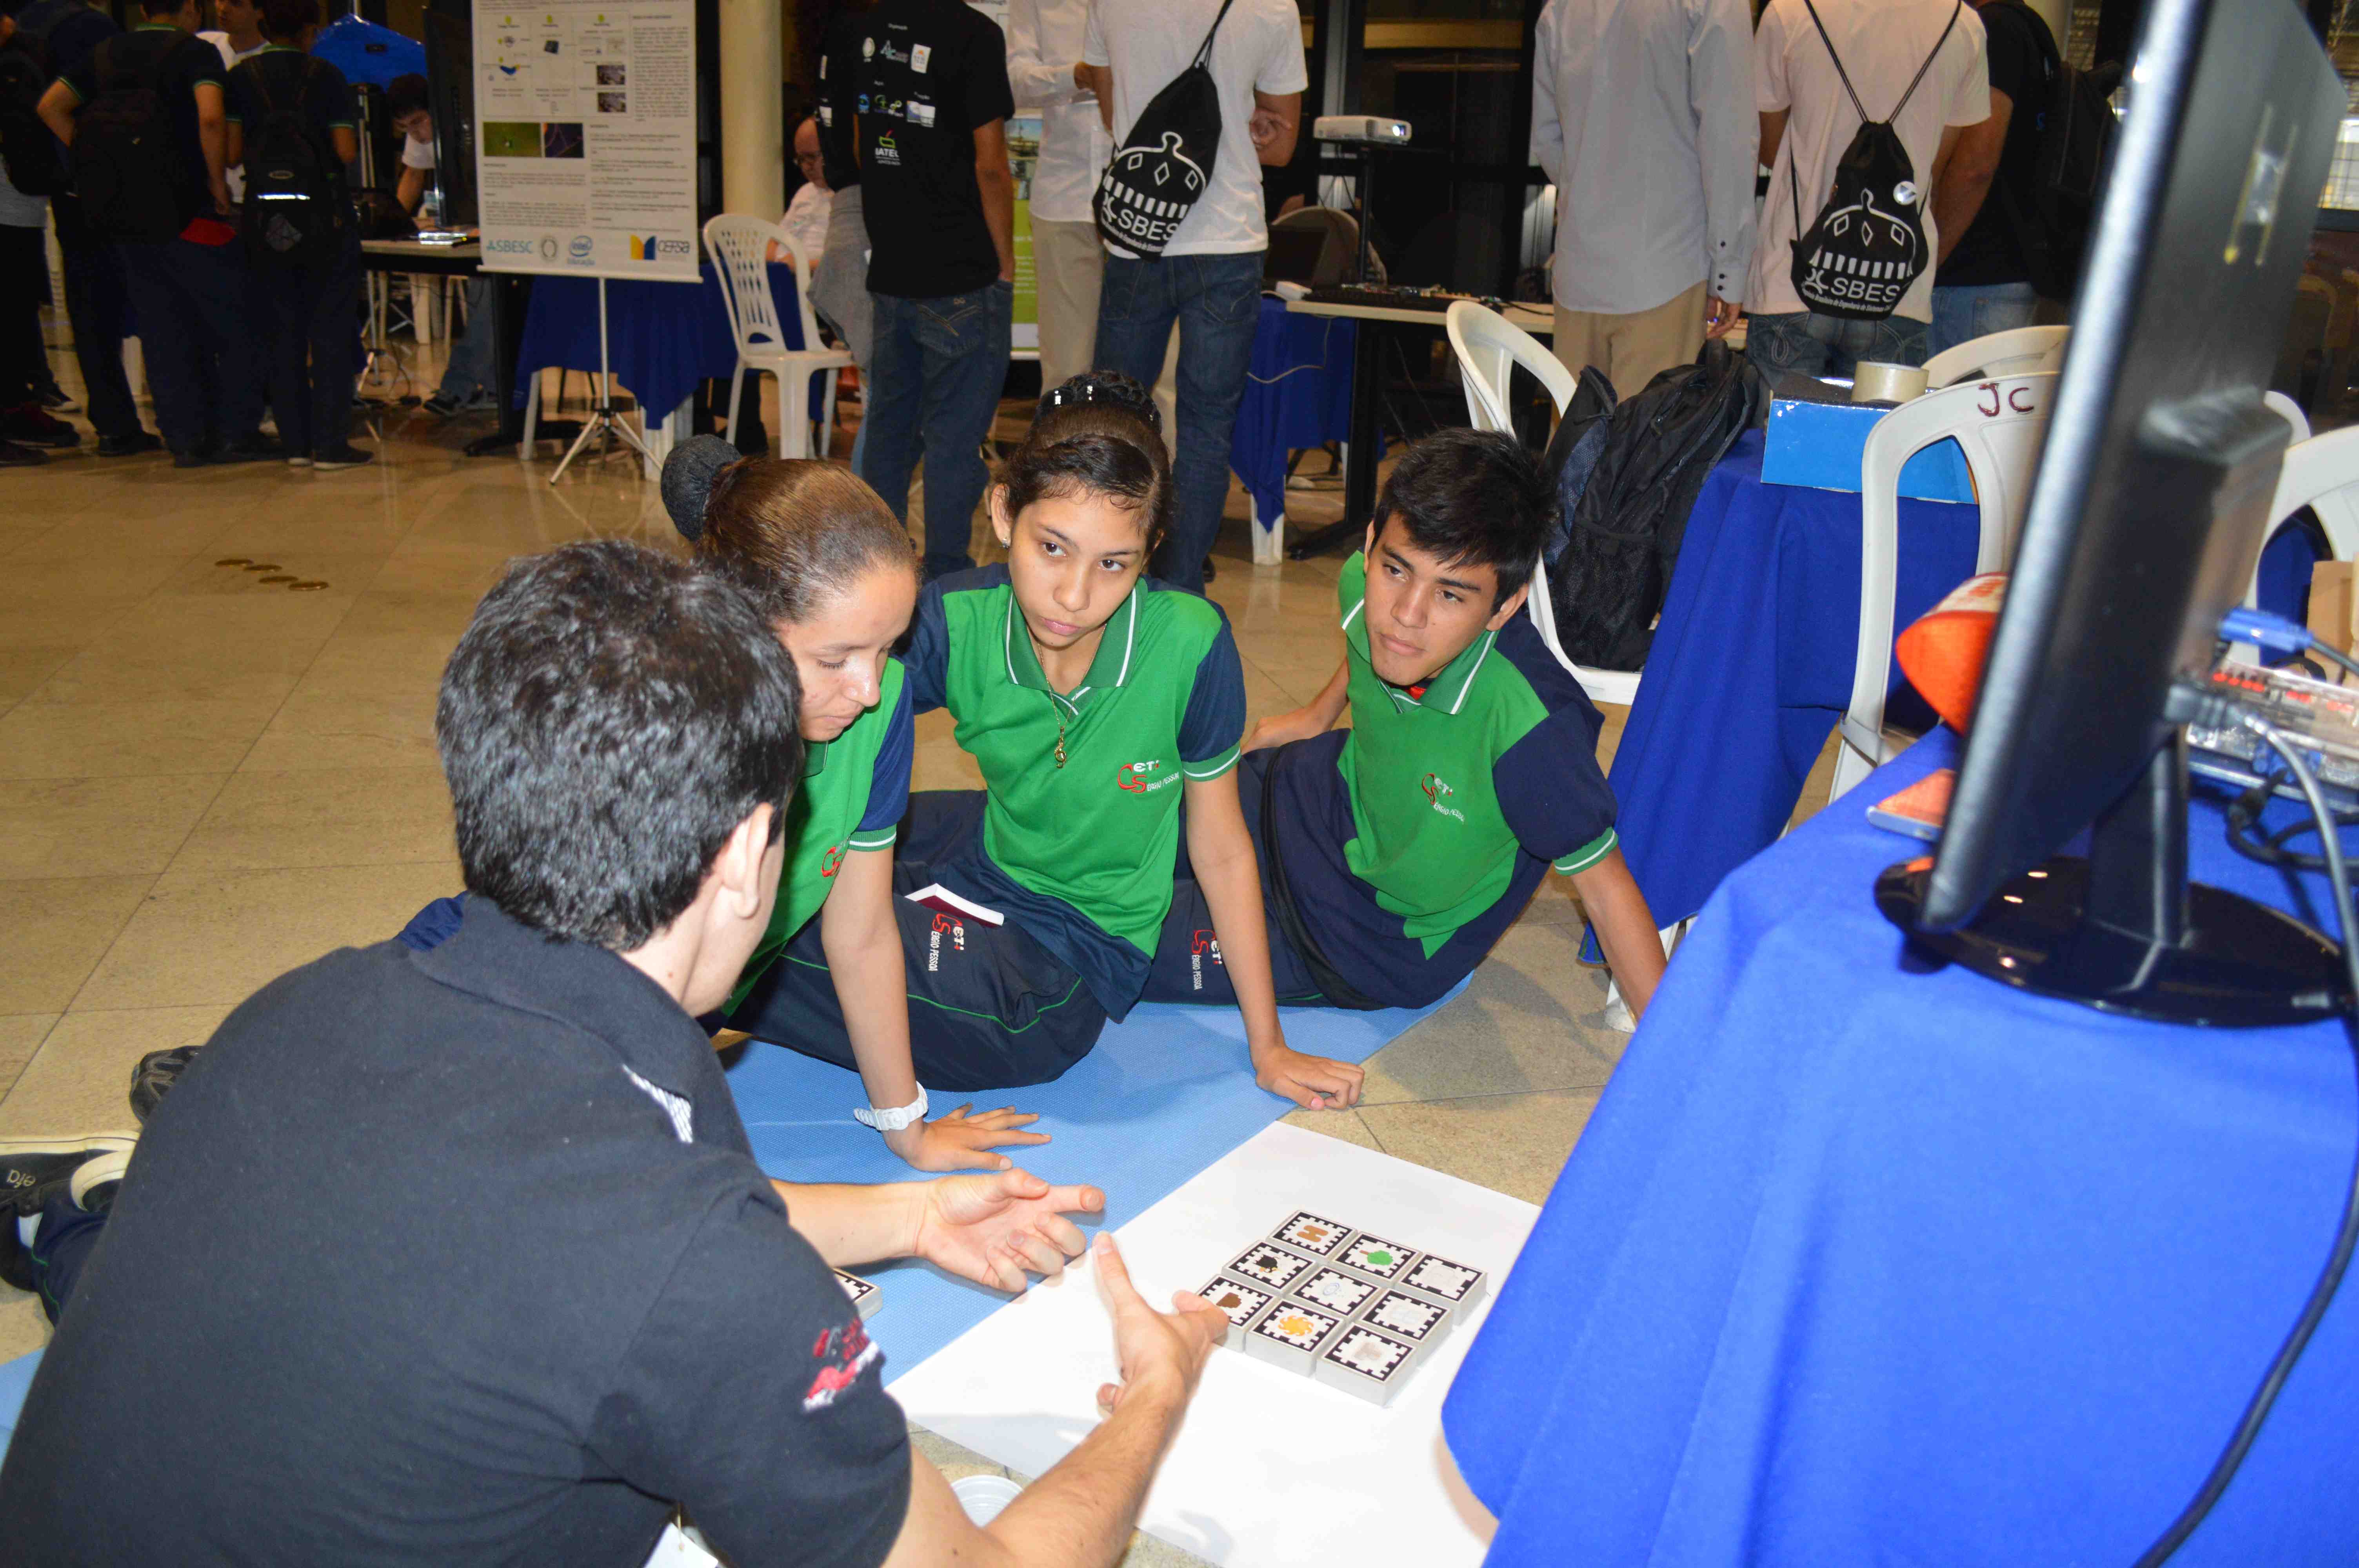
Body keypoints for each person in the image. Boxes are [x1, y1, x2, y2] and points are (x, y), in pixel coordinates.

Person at [0, 539, 1229, 1566]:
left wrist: (906, 1216)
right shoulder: (703, 1278)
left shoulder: (297, 1006)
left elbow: (593, 1228)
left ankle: (82, 1209)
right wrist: (1157, 1393)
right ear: (747, 856)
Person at [402, 444, 1051, 1172]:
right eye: (834, 660)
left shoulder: (880, 707)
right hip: (521, 1006)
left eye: (886, 649)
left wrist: (907, 1126)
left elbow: (863, 932)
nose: (868, 688)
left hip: (669, 1011)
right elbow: (584, 987)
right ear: (736, 632)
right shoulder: (665, 732)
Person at [741, 375, 1367, 1111]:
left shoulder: (1191, 645)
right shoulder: (953, 618)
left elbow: (1222, 848)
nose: (1074, 595)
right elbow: (828, 706)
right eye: (1053, 548)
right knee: (796, 881)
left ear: (1151, 551)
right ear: (1004, 512)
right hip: (983, 869)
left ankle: (658, 991)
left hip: (1063, 965)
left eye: (1114, 564)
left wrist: (1269, 1047)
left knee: (760, 932)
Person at [1154, 429, 1667, 1019]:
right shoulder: (1363, 584)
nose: (1405, 614)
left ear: (1505, 606)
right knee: (1100, 836)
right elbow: (1370, 631)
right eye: (1396, 570)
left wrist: (1671, 1052)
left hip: (1356, 939)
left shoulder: (1531, 732)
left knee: (1106, 931)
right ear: (1371, 545)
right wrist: (1317, 713)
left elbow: (1606, 891)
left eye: (1450, 596)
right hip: (1298, 797)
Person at [1082, 0, 1304, 593]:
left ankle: (1111, 575)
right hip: (1229, 240)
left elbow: (1114, 116)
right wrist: (1246, 126)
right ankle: (1180, 590)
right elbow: (1281, 147)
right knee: (1206, 430)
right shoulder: (1271, 7)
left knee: (1115, 422)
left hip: (1138, 238)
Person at [38, 0, 274, 468]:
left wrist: (93, 160)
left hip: (126, 214)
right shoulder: (194, 53)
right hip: (187, 208)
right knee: (235, 320)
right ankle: (236, 432)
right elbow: (211, 117)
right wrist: (216, 182)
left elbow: (51, 106)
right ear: (189, 9)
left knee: (162, 329)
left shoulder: (105, 53)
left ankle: (183, 437)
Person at [848, 0, 1017, 581]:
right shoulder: (974, 33)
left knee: (890, 430)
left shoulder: (867, 27)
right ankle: (945, 577)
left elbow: (862, 145)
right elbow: (991, 165)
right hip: (962, 271)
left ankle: (876, 569)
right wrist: (1005, 261)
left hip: (893, 268)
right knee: (953, 439)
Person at [1743, 0, 1989, 387]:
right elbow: (1935, 163)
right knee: (1882, 429)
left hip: (1790, 286)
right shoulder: (1963, 25)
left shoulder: (1789, 11)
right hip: (1897, 293)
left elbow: (1770, 150)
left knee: (1782, 428)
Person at [1529, 0, 1756, 400]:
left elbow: (1548, 140)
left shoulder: (1559, 8)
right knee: (1648, 434)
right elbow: (1727, 137)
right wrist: (1728, 267)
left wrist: (1591, 192)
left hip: (1580, 270)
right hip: (1665, 267)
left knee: (1576, 430)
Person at [225, 0, 367, 470]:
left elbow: (231, 153)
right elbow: (345, 151)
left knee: (280, 332)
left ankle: (295, 446)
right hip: (325, 217)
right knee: (330, 331)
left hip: (265, 218)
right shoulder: (326, 76)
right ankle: (331, 445)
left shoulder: (241, 78)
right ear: (310, 31)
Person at [13, 0, 158, 455]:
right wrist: (95, 159)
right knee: (144, 296)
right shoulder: (89, 27)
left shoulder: (28, 23)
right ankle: (167, 417)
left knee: (87, 307)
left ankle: (113, 421)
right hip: (103, 185)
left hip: (57, 185)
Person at [1925, 0, 2057, 357]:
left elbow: (1977, 163)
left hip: (1969, 282)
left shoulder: (1995, 29)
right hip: (2004, 273)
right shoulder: (2032, 29)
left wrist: (1929, 263)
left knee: (1943, 394)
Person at [1006, 0, 1109, 390]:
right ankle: (1066, 435)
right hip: (1065, 195)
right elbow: (1014, 81)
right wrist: (1075, 77)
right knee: (1066, 367)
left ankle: (1157, 436)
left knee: (1160, 369)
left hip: (1147, 199)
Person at [0, 13, 76, 463]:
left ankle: (16, 406)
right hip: (9, 204)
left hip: (22, 202)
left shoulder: (22, 55)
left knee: (18, 309)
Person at [781, 112, 832, 261]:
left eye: (811, 157)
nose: (806, 167)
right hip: (786, 270)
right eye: (801, 159)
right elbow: (774, 241)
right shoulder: (805, 192)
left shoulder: (852, 197)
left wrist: (800, 265)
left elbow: (847, 262)